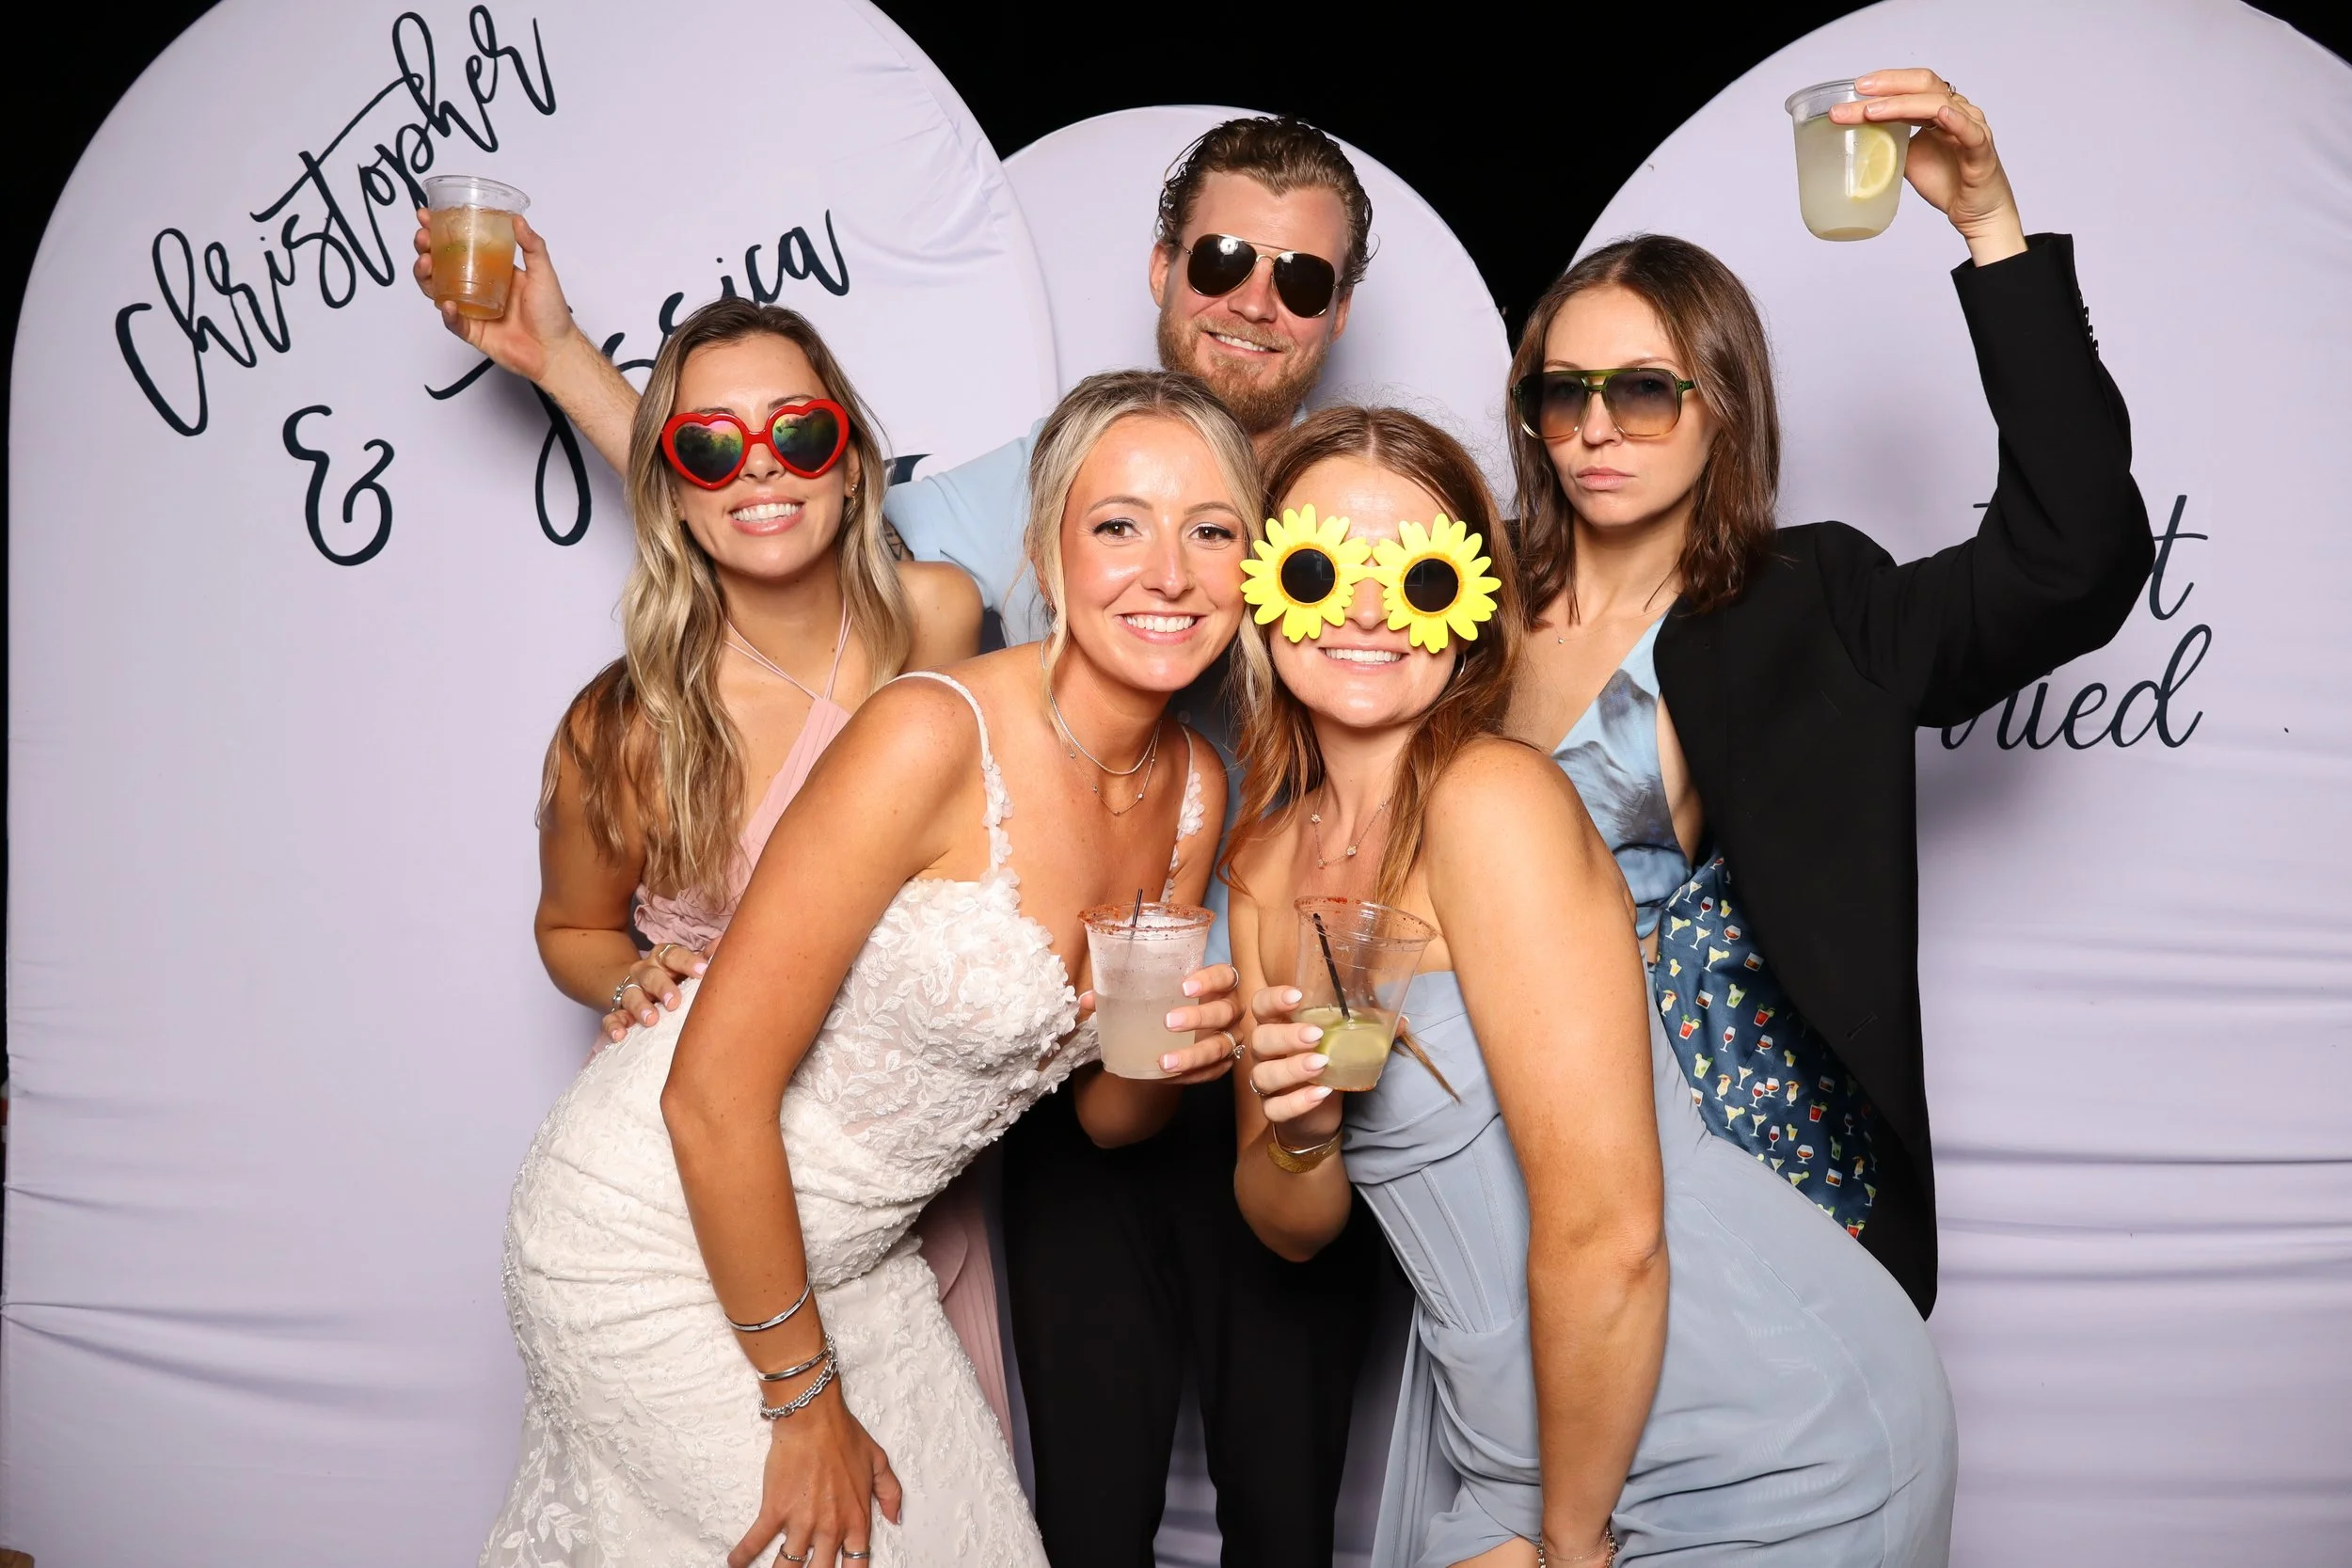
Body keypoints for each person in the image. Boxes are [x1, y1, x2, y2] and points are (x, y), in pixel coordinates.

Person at [431, 116, 1393, 1565]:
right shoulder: (946, 671)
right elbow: (771, 507)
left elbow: (1120, 1093)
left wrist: (1169, 1053)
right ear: (1050, 545)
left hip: (1041, 1147)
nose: (1258, 297)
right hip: (696, 1199)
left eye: (1301, 279)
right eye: (1223, 259)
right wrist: (567, 362)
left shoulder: (1278, 651)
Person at [480, 369, 1251, 1568]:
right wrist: (802, 1403)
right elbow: (708, 1095)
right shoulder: (930, 732)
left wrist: (1176, 1059)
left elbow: (1110, 1118)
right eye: (1119, 525)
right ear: (1047, 555)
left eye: (1211, 531)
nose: (1169, 572)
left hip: (853, 1255)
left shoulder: (1195, 790)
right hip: (648, 1226)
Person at [1228, 404, 1956, 1567]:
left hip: (1755, 1418)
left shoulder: (1494, 803)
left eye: (1415, 575)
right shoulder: (1264, 866)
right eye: (1318, 567)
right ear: (1262, 589)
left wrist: (1567, 1539)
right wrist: (1304, 1132)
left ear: (1470, 605)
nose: (1365, 608)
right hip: (1513, 1433)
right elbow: (1289, 1226)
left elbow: (1608, 1230)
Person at [1499, 70, 2151, 1316]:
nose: (1595, 426)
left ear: (1723, 407)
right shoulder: (1450, 616)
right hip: (1493, 1167)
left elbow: (2075, 558)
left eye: (1643, 389)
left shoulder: (1814, 602)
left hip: (1740, 1196)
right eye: (1561, 391)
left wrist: (1990, 228)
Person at [408, 228, 1013, 1423]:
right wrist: (629, 972)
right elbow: (570, 929)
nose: (761, 470)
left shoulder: (938, 624)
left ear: (852, 464)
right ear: (673, 494)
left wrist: (564, 353)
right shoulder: (624, 728)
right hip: (689, 1185)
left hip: (901, 1180)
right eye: (708, 448)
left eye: (801, 434)